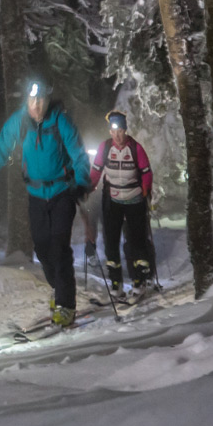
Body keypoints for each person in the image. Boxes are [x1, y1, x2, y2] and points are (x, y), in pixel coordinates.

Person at [0, 79, 91, 325]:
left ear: (48, 100)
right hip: (36, 196)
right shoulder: (19, 123)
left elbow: (79, 154)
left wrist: (81, 182)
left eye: (40, 100)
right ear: (26, 101)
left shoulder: (60, 120)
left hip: (62, 192)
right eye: (32, 100)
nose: (36, 105)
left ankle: (65, 304)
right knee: (42, 248)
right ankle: (58, 288)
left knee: (59, 246)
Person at [87, 110, 154, 300]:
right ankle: (116, 284)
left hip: (134, 199)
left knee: (136, 241)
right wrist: (87, 188)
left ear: (125, 130)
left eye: (121, 131)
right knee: (111, 241)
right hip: (113, 200)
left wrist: (146, 189)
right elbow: (96, 171)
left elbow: (146, 172)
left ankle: (139, 282)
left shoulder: (136, 148)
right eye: (114, 131)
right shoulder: (105, 148)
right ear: (110, 132)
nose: (117, 136)